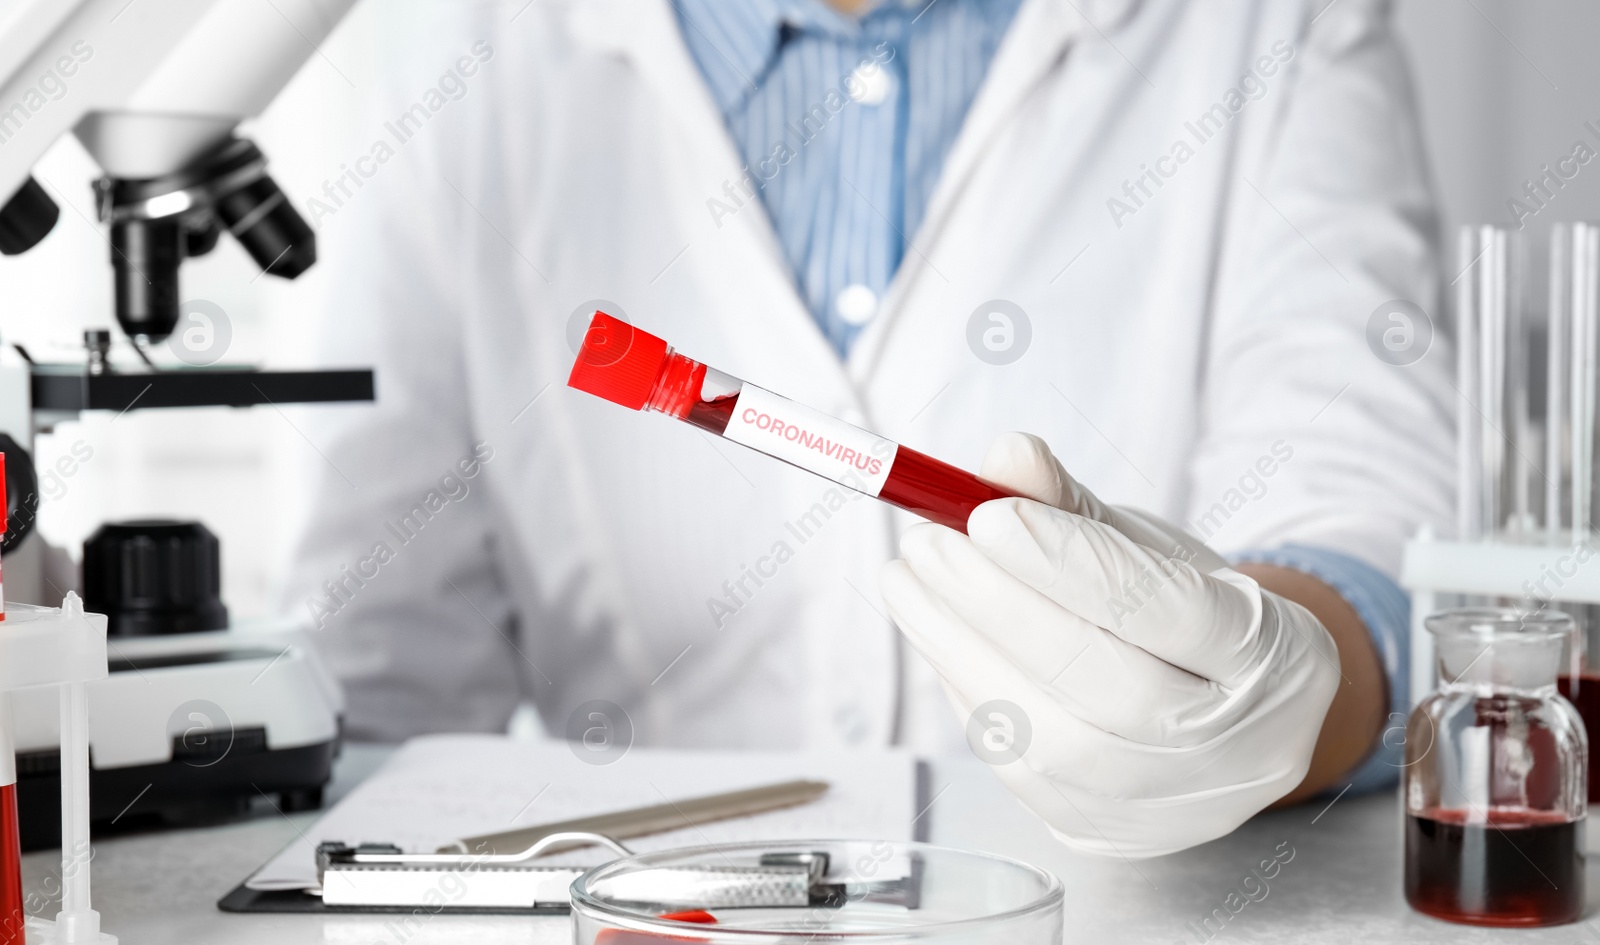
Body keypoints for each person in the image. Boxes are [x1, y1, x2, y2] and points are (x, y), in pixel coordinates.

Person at [286, 0, 1451, 856]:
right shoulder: (460, 57)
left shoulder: (1273, 28)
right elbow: (379, 675)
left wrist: (1279, 689)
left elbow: (1364, 513)